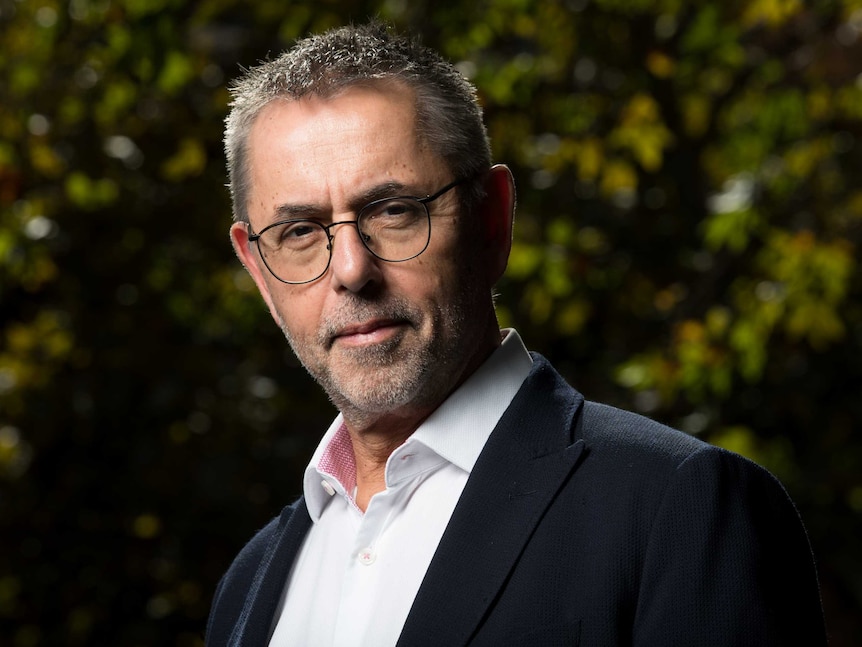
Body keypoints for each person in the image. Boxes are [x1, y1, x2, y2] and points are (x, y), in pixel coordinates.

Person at [206, 22, 827, 647]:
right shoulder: (249, 585)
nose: (350, 271)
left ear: (493, 220)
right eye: (300, 232)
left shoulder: (683, 510)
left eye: (393, 211)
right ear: (259, 270)